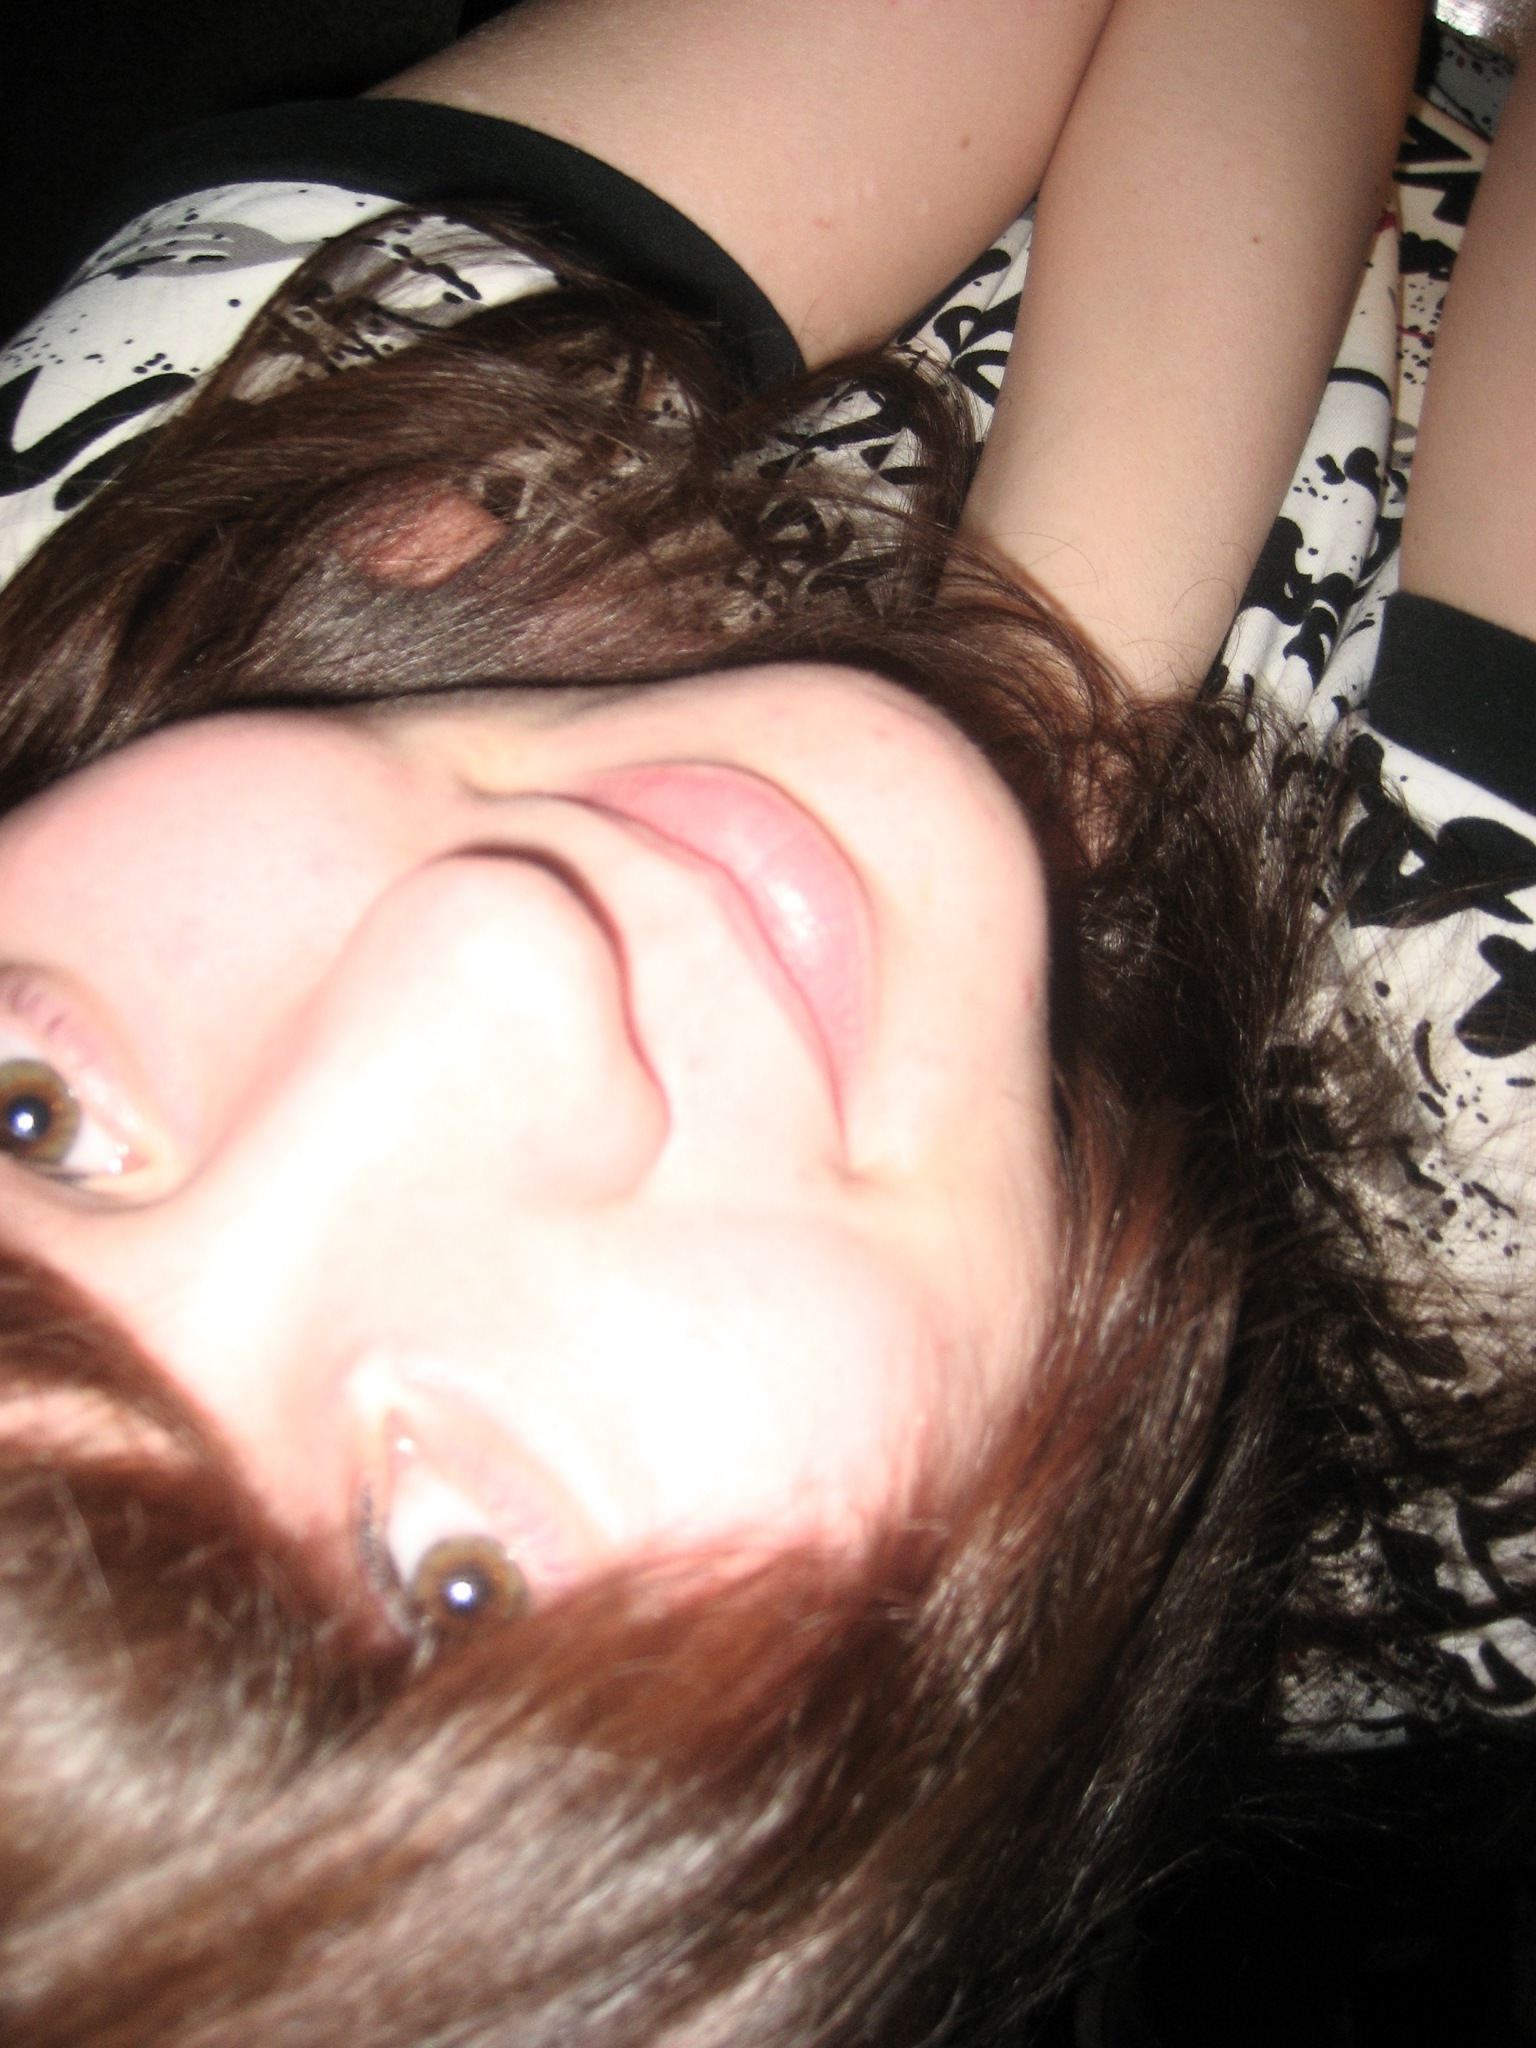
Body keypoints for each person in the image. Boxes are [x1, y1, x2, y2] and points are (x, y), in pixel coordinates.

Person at [0, 4, 1504, 2042]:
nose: (487, 956)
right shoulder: (1477, 1279)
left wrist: (1059, 717)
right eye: (453, 1574)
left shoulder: (120, 535)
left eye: (36, 1118)